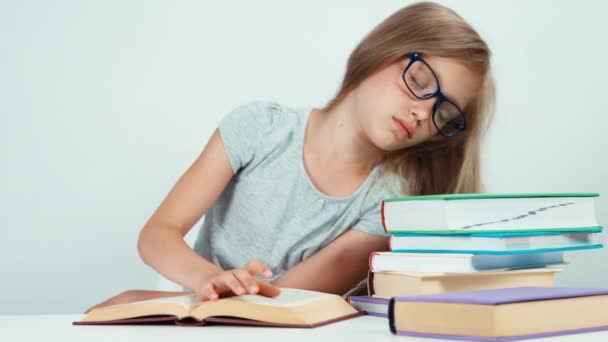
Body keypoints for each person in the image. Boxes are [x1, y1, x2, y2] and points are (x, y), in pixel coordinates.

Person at [137, 1, 495, 301]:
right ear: (379, 51)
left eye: (443, 114)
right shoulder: (260, 128)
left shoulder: (386, 206)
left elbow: (279, 304)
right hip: (194, 313)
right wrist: (207, 280)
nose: (423, 114)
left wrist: (150, 301)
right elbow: (157, 235)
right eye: (419, 83)